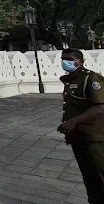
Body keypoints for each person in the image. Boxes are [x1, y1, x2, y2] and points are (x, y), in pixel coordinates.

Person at [57, 48, 104, 203]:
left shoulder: (91, 78)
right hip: (78, 138)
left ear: (80, 61)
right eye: (63, 58)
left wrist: (72, 122)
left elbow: (100, 107)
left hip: (94, 138)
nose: (65, 62)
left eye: (69, 59)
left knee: (100, 173)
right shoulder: (70, 80)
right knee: (89, 177)